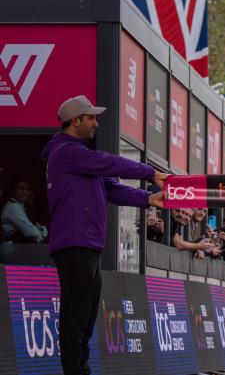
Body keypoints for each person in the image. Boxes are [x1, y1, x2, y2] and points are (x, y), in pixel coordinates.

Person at [42, 95, 167, 375]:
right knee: (76, 318)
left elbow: (112, 188)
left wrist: (149, 200)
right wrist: (150, 173)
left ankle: (80, 370)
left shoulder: (80, 158)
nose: (96, 123)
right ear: (75, 121)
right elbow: (110, 164)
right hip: (76, 245)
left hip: (85, 245)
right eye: (92, 118)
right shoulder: (67, 152)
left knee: (84, 319)